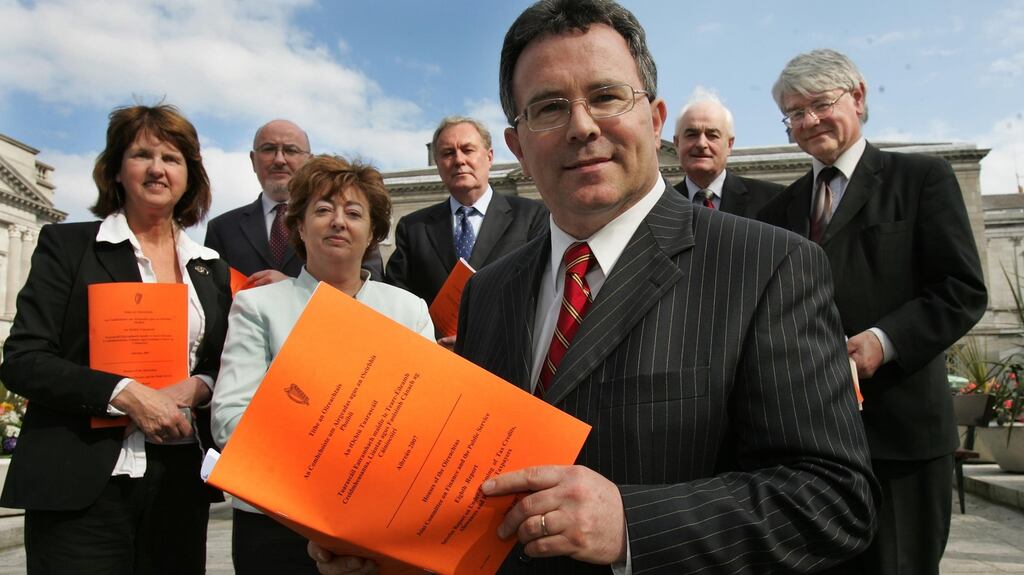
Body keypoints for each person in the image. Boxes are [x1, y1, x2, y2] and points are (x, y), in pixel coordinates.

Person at [311, 1, 877, 573]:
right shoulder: (490, 292)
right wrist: (384, 546)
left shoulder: (771, 265)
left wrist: (634, 524)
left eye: (606, 97)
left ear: (654, 120)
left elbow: (832, 499)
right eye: (550, 107)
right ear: (517, 147)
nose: (582, 126)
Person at [758, 49, 987, 575]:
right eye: (794, 113)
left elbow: (961, 289)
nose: (808, 120)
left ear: (858, 97)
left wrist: (881, 344)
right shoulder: (776, 212)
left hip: (900, 436)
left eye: (819, 104)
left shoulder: (921, 180)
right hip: (807, 446)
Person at [0, 104, 231, 573]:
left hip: (178, 485)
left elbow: (222, 362)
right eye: (141, 154)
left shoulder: (210, 268)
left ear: (190, 176)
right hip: (80, 485)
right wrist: (124, 394)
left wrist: (199, 386)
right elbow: (23, 358)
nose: (157, 168)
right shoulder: (68, 247)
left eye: (172, 158)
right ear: (116, 170)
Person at [212, 154, 434, 574]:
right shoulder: (258, 307)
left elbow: (424, 419)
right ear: (297, 225)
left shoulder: (408, 310)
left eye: (354, 212)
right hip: (277, 522)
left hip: (377, 520)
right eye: (323, 210)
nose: (338, 221)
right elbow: (229, 420)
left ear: (372, 233)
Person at [385, 116, 547, 309]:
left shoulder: (532, 216)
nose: (459, 160)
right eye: (448, 153)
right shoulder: (413, 228)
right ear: (437, 163)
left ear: (489, 156)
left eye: (467, 150)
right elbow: (397, 301)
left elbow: (544, 291)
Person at [204, 120, 384, 287]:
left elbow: (370, 284)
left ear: (309, 160)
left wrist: (295, 288)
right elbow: (213, 294)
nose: (279, 160)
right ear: (253, 159)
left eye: (290, 150)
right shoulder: (222, 228)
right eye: (268, 149)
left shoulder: (353, 222)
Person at [672, 87, 782, 216]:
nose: (701, 144)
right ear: (677, 143)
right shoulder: (659, 207)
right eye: (692, 134)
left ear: (729, 145)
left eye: (712, 135)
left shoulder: (773, 200)